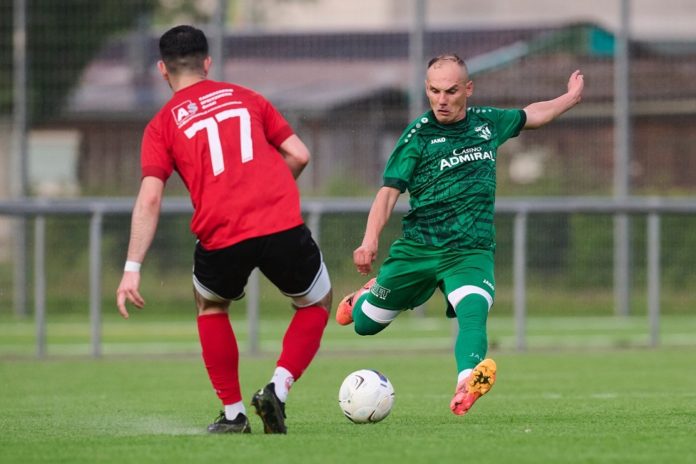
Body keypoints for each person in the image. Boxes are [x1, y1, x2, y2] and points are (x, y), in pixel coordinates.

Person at [336, 54, 584, 415]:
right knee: (364, 325)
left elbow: (532, 115)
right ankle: (364, 296)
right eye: (434, 91)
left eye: (451, 91)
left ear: (468, 89)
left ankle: (466, 383)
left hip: (470, 250)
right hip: (419, 249)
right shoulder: (418, 136)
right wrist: (369, 239)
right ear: (426, 89)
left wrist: (569, 98)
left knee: (473, 311)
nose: (442, 100)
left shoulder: (487, 123)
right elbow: (388, 193)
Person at [116, 25, 332, 434]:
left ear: (162, 69)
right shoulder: (248, 98)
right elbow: (300, 154)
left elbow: (150, 198)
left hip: (221, 231)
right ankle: (278, 388)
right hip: (279, 221)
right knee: (315, 303)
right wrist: (266, 193)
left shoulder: (161, 125)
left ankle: (234, 414)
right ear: (208, 62)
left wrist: (132, 268)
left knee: (212, 305)